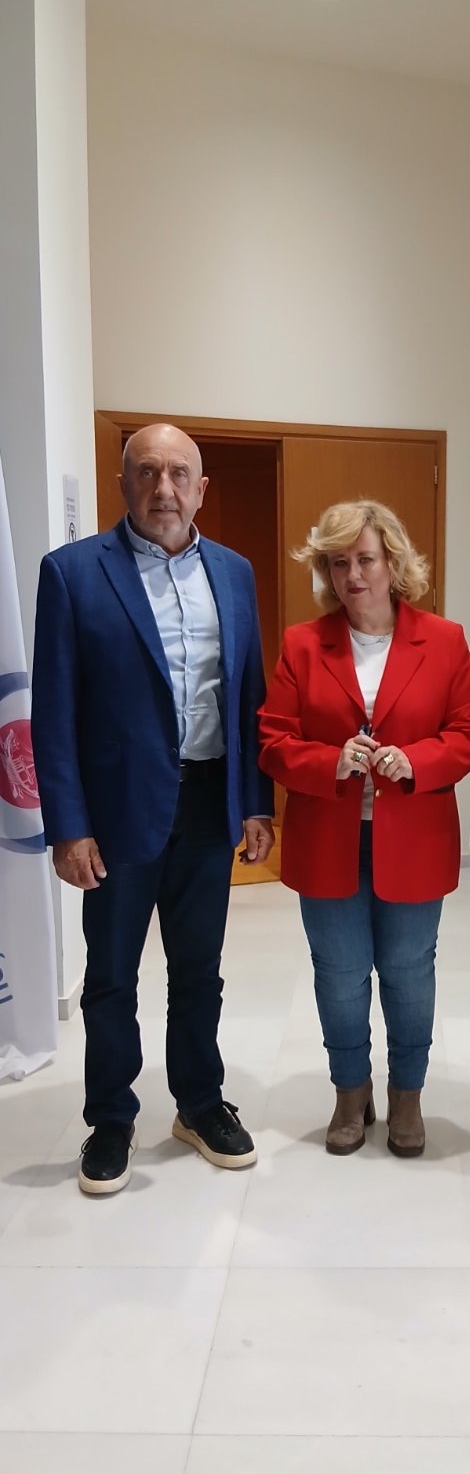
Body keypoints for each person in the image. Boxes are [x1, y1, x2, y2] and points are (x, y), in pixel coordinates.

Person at [31, 424, 274, 1195]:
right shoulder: (73, 573)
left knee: (199, 970)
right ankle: (110, 1117)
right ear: (123, 483)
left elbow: (248, 694)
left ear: (201, 489)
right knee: (110, 975)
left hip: (208, 801)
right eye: (147, 472)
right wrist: (69, 826)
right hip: (115, 814)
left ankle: (199, 1103)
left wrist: (255, 801)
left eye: (178, 474)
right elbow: (53, 713)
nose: (163, 488)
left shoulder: (233, 572)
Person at [259, 500, 470, 1157]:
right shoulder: (303, 644)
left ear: (393, 562)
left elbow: (467, 731)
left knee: (409, 972)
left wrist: (417, 760)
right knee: (339, 973)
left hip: (413, 838)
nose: (352, 576)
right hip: (329, 840)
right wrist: (328, 761)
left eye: (365, 560)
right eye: (338, 563)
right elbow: (273, 740)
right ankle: (349, 1091)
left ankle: (407, 1093)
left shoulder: (444, 640)